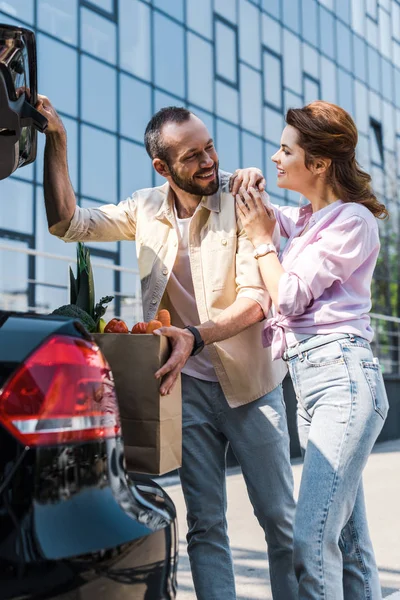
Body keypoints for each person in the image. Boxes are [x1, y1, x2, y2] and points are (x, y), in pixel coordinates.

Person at [37, 95, 298, 600]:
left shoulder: (240, 198)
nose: (209, 162)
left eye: (211, 148)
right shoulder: (145, 207)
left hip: (251, 387)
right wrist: (57, 141)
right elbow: (68, 223)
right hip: (186, 393)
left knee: (281, 523)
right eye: (193, 156)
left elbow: (258, 299)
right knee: (205, 525)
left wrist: (196, 337)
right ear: (162, 166)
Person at [233, 100, 389, 600]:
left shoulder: (352, 221)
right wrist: (248, 181)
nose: (276, 158)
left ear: (318, 164)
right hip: (316, 384)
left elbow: (288, 294)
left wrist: (261, 242)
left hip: (343, 379)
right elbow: (259, 213)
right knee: (349, 541)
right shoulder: (303, 221)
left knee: (311, 539)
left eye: (285, 150)